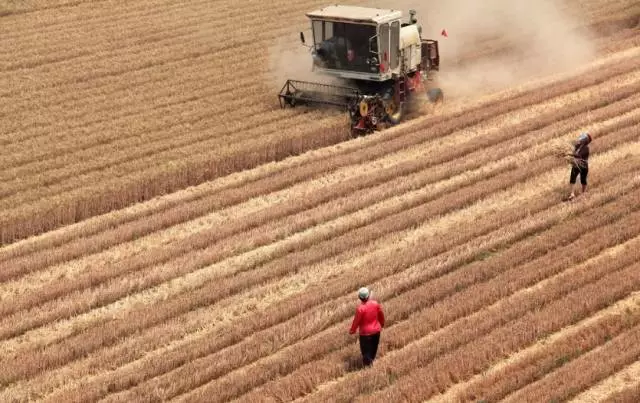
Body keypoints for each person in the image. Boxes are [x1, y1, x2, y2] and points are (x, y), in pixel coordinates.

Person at [349, 287, 385, 367]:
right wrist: (382, 323)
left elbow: (356, 321)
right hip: (376, 331)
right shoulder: (375, 304)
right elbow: (381, 315)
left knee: (366, 353)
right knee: (373, 351)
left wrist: (352, 330)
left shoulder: (360, 309)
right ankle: (371, 365)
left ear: (360, 298)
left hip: (365, 334)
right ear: (368, 296)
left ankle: (369, 368)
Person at [568, 132, 592, 200]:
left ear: (585, 141)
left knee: (583, 179)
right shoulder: (577, 146)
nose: (580, 140)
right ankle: (572, 194)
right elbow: (573, 149)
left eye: (582, 139)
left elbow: (578, 155)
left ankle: (583, 192)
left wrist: (571, 154)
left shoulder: (586, 148)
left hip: (582, 165)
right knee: (573, 178)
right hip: (577, 164)